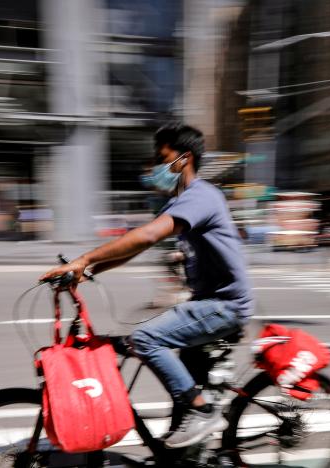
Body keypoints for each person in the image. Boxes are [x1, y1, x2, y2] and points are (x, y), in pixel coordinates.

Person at [40, 123, 254, 448]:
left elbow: (148, 235)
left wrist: (83, 259)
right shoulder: (182, 202)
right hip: (207, 304)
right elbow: (137, 247)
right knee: (179, 378)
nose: (154, 166)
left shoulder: (201, 196)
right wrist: (88, 270)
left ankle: (204, 411)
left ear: (183, 159)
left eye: (160, 157)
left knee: (145, 339)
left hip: (224, 307)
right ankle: (191, 435)